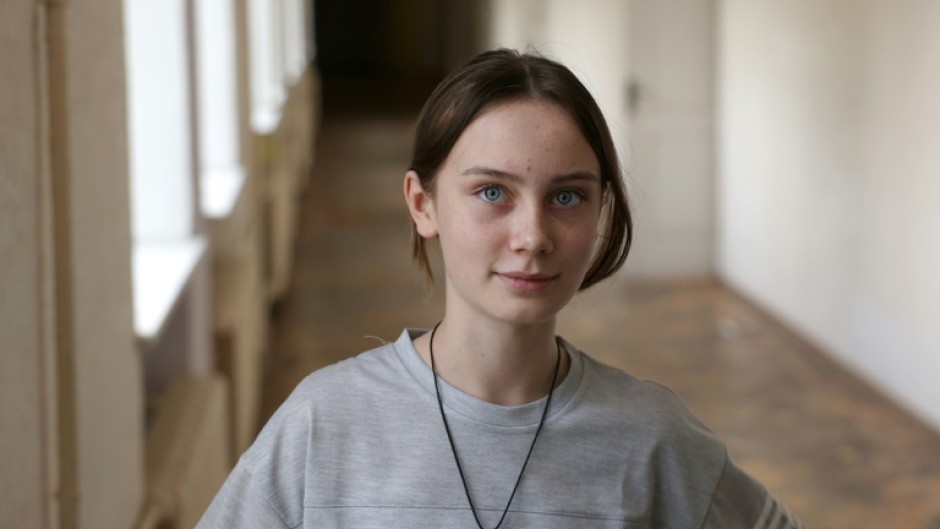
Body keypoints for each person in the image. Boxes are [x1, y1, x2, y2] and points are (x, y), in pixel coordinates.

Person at [196, 48, 805, 529]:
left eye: (567, 196)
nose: (533, 236)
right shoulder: (322, 424)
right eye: (493, 192)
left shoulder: (651, 438)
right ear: (423, 204)